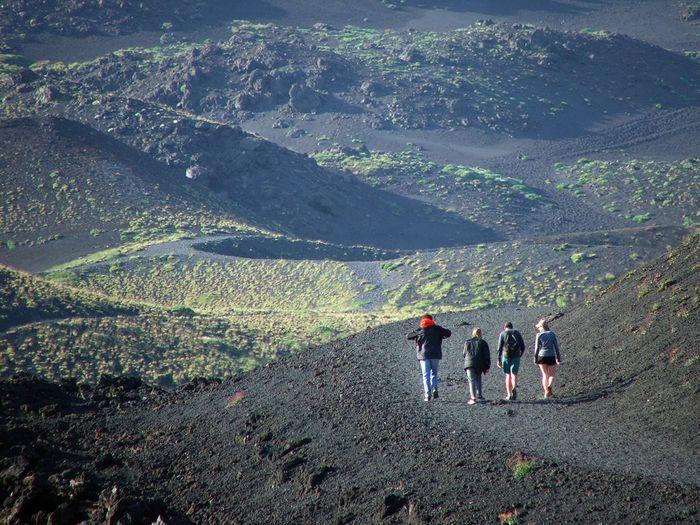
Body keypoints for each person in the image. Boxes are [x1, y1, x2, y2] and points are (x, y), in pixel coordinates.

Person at [407, 314, 451, 401]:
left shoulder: (420, 330)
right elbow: (448, 333)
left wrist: (417, 331)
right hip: (435, 355)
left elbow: (408, 336)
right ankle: (434, 388)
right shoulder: (437, 329)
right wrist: (438, 327)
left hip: (423, 356)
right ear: (431, 320)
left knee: (425, 375)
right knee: (434, 373)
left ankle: (427, 395)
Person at [496, 322, 525, 400]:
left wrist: (498, 359)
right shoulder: (517, 333)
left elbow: (499, 348)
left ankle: (509, 394)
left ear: (505, 327)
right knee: (514, 374)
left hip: (506, 356)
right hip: (516, 356)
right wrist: (519, 355)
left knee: (507, 375)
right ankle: (514, 388)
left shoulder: (502, 334)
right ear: (512, 327)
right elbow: (523, 346)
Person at [534, 318, 562, 399]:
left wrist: (535, 359)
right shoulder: (552, 334)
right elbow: (556, 347)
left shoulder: (539, 335)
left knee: (544, 375)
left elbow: (536, 348)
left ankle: (546, 392)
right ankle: (549, 386)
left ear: (540, 327)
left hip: (541, 356)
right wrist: (558, 358)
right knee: (552, 375)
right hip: (551, 355)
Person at [463, 327, 490, 405]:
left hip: (469, 364)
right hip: (479, 364)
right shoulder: (483, 342)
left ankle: (473, 398)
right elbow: (487, 355)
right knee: (478, 379)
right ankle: (480, 395)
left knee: (471, 380)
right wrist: (487, 366)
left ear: (473, 333)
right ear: (480, 333)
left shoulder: (467, 342)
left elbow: (464, 353)